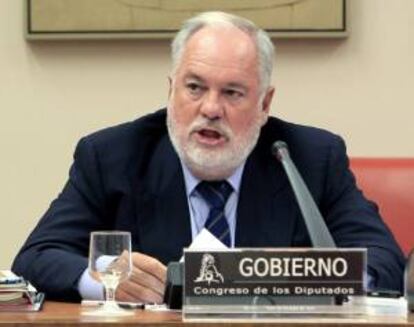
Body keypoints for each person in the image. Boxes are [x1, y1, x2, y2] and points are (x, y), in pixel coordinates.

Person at [12, 11, 405, 303]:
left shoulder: (309, 158)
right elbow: (35, 259)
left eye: (233, 92)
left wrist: (308, 274)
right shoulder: (113, 156)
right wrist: (103, 278)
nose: (211, 108)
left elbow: (386, 262)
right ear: (171, 91)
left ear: (265, 103)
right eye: (195, 88)